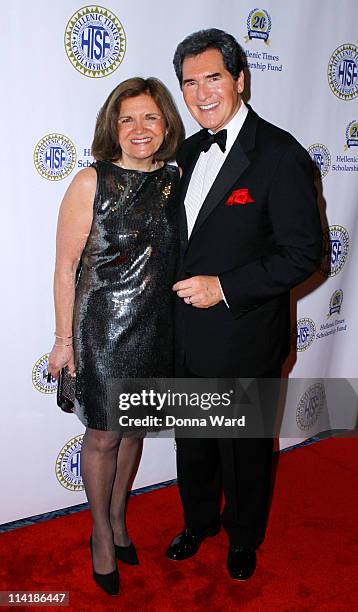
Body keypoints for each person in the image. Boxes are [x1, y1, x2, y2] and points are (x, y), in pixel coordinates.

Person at [166, 29, 322, 580]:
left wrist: (225, 286)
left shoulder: (280, 154)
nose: (202, 92)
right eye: (190, 82)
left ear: (239, 78)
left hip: (245, 333)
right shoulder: (184, 152)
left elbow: (304, 253)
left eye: (213, 77)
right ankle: (200, 520)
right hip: (185, 336)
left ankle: (244, 538)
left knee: (246, 451)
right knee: (196, 443)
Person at [48, 77, 184, 595]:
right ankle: (100, 533)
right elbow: (65, 268)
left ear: (166, 123)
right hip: (102, 329)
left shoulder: (174, 180)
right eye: (127, 118)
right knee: (104, 434)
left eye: (150, 117)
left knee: (133, 431)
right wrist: (64, 341)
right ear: (113, 126)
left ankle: (121, 517)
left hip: (156, 326)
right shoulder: (92, 181)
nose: (139, 128)